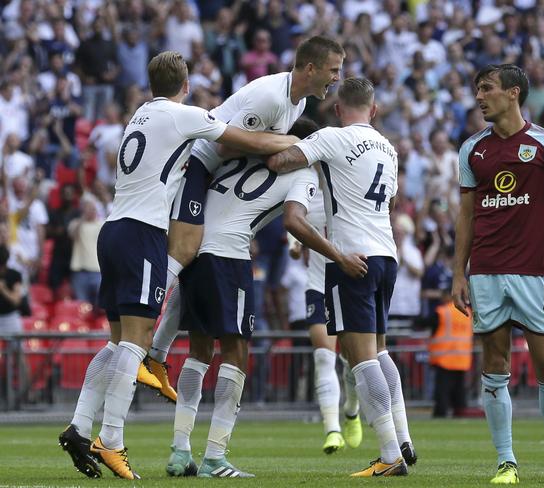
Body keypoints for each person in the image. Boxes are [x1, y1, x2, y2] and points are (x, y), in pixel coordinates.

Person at [58, 50, 299, 480]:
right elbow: (245, 141)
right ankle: (111, 440)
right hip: (141, 232)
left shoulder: (139, 117)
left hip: (112, 229)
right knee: (134, 342)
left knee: (116, 343)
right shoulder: (183, 116)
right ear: (185, 85)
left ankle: (79, 426)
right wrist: (301, 142)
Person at [137, 35, 346, 403]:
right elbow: (226, 145)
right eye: (333, 70)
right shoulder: (270, 96)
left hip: (218, 177)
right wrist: (295, 147)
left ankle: (154, 353)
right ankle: (138, 345)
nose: (336, 79)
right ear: (310, 68)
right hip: (197, 165)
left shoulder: (295, 107)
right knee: (183, 252)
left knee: (190, 262)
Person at [165, 118, 367, 478]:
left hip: (193, 249)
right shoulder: (303, 171)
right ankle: (214, 456)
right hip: (228, 256)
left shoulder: (243, 155)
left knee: (198, 352)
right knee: (236, 354)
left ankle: (179, 451)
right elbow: (294, 221)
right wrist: (338, 256)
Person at [451, 64, 544, 484]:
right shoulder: (471, 149)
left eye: (487, 89)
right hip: (488, 272)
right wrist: (459, 273)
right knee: (494, 364)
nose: (480, 97)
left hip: (535, 271)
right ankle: (506, 462)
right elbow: (466, 216)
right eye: (477, 89)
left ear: (513, 93)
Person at [268, 77, 415, 477]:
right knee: (381, 350)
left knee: (360, 358)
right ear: (375, 109)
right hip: (387, 255)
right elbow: (393, 199)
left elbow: (282, 162)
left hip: (351, 256)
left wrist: (273, 144)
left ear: (337, 109)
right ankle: (403, 438)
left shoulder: (334, 137)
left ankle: (389, 455)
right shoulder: (389, 147)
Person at [287, 184, 363, 454]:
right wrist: (295, 246)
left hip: (346, 284)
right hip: (317, 285)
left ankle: (351, 411)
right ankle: (332, 429)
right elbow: (292, 230)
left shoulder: (347, 185)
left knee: (353, 360)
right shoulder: (304, 189)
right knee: (323, 356)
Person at [428, 287, 473, 418]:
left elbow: (425, 322)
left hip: (445, 358)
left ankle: (440, 414)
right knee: (459, 391)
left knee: (442, 391)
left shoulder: (442, 312)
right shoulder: (467, 312)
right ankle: (461, 413)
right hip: (462, 358)